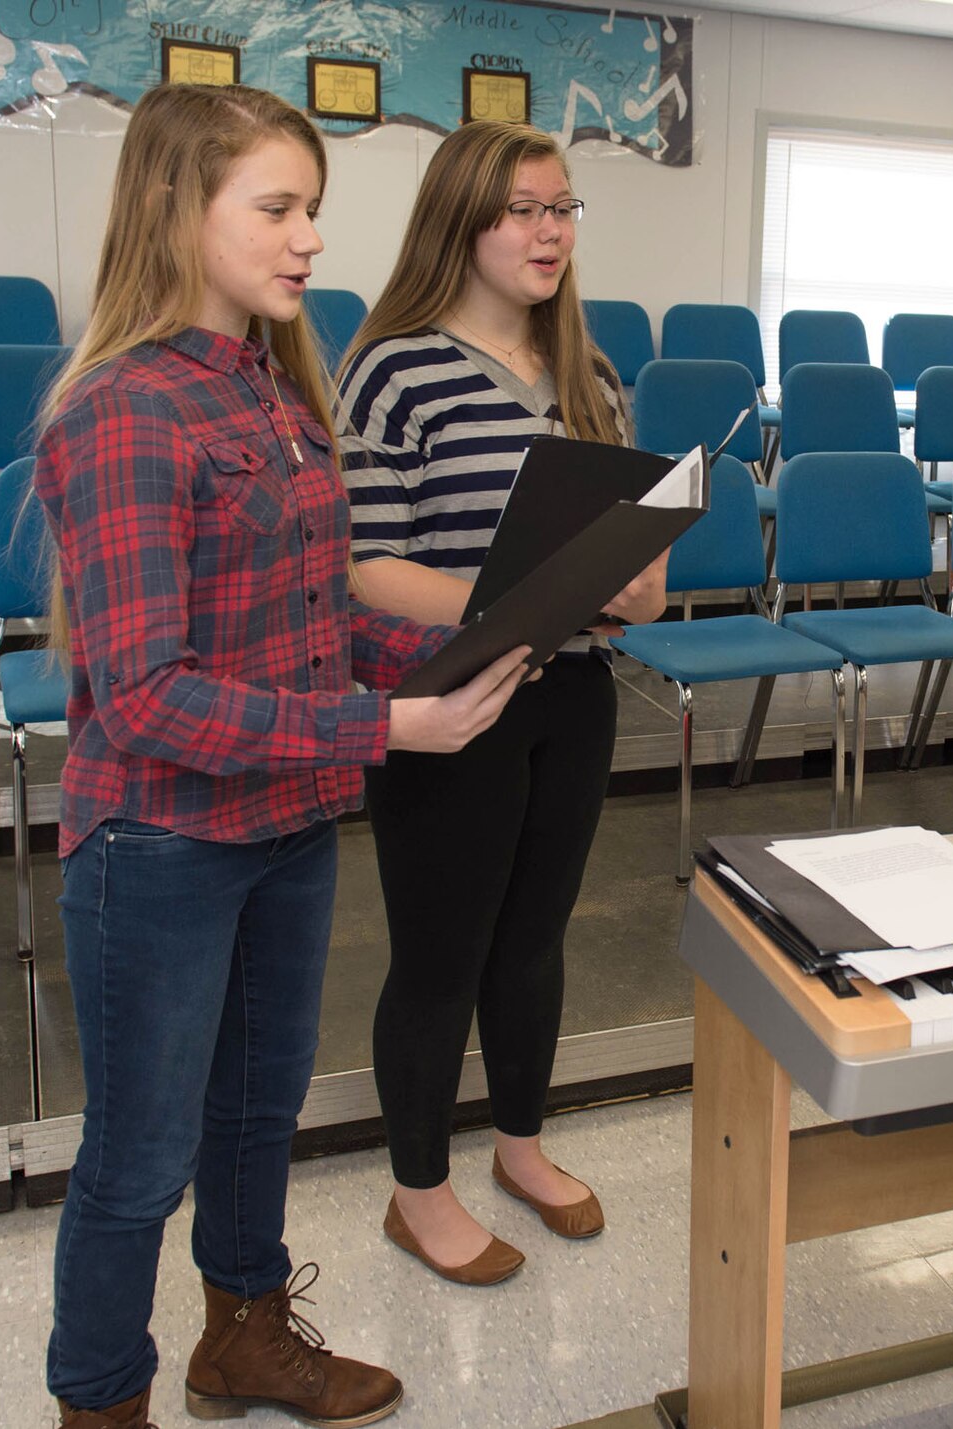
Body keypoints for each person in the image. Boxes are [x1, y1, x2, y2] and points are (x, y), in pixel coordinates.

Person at [34, 84, 534, 1429]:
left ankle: (243, 1340)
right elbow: (142, 697)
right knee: (136, 1162)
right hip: (162, 845)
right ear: (174, 211)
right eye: (278, 207)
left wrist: (459, 654)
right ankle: (99, 1401)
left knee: (257, 1122)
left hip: (287, 824)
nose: (310, 237)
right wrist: (387, 726)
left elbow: (311, 626)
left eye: (311, 206)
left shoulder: (269, 385)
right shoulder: (124, 411)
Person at [336, 120, 667, 1286]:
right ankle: (415, 1191)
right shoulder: (391, 366)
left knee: (531, 942)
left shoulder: (594, 375)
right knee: (439, 955)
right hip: (447, 706)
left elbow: (640, 580)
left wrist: (632, 586)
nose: (549, 231)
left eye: (563, 207)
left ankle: (519, 1145)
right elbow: (368, 566)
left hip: (571, 693)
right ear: (462, 221)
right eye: (524, 208)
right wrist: (521, 597)